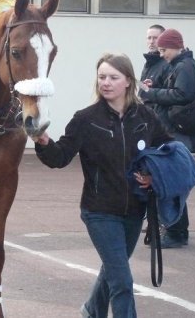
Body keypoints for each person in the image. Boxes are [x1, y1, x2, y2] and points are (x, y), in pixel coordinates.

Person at [33, 53, 172, 318]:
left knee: (112, 270)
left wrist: (156, 176)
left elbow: (167, 150)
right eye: (101, 77)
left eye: (113, 77)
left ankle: (91, 311)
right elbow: (60, 156)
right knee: (122, 280)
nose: (105, 83)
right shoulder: (86, 119)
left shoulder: (145, 117)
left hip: (135, 211)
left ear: (128, 82)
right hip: (99, 212)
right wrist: (43, 143)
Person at [139, 28, 195, 248]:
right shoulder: (180, 65)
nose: (162, 54)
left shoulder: (184, 66)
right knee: (169, 179)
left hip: (176, 131)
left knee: (172, 180)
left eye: (164, 49)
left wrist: (152, 93)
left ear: (175, 46)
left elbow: (182, 94)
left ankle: (176, 232)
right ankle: (172, 229)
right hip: (173, 129)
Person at [140, 24, 170, 109]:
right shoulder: (148, 63)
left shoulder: (167, 64)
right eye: (149, 38)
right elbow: (143, 90)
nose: (151, 41)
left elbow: (170, 96)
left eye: (155, 38)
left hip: (157, 118)